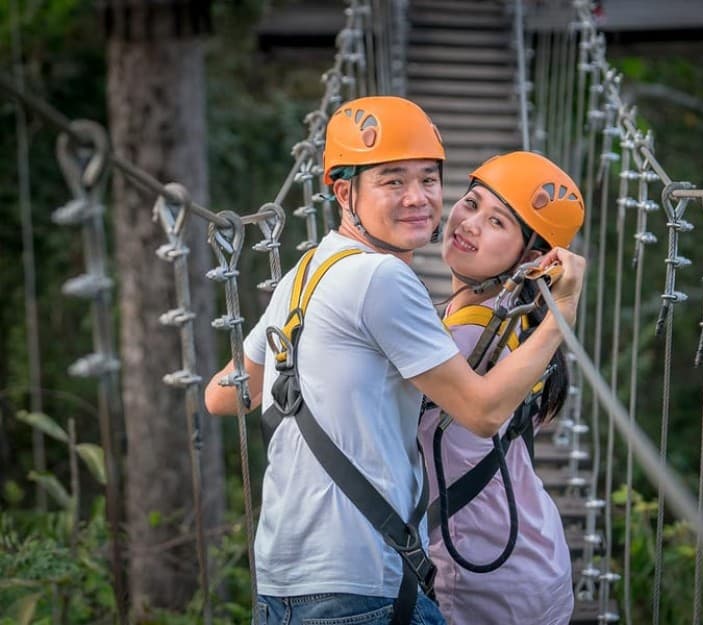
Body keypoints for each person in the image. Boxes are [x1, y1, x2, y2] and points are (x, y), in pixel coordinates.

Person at [203, 96, 586, 625]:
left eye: (429, 180)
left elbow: (223, 393)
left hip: (287, 577)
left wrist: (296, 347)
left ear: (531, 258)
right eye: (393, 181)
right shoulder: (385, 281)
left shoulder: (304, 273)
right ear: (343, 191)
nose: (419, 199)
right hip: (362, 579)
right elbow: (482, 411)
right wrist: (561, 311)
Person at [419, 151, 582, 625]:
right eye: (470, 203)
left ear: (532, 260)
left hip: (486, 576)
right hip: (526, 555)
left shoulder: (469, 337)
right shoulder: (515, 323)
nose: (469, 223)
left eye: (496, 222)